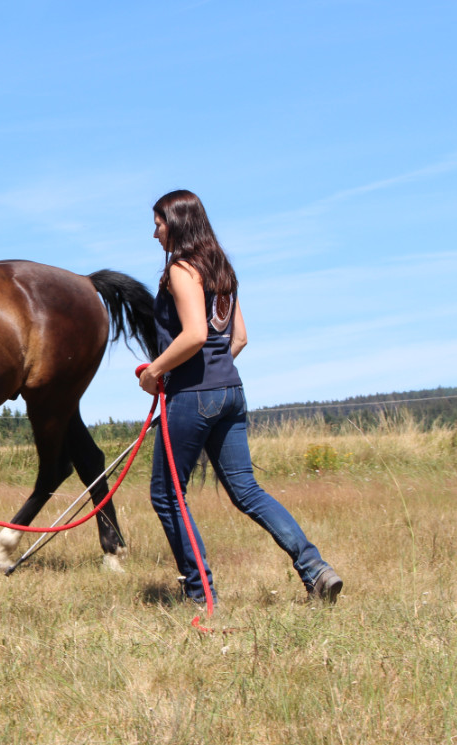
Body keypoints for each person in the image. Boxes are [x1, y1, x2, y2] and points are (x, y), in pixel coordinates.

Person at [137, 189, 343, 605]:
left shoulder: (182, 269)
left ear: (175, 223)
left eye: (158, 222)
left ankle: (200, 596)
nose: (153, 231)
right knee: (248, 491)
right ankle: (314, 568)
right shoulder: (221, 269)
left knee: (167, 495)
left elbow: (195, 333)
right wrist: (212, 373)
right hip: (231, 391)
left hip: (194, 397)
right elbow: (240, 338)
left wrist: (157, 371)